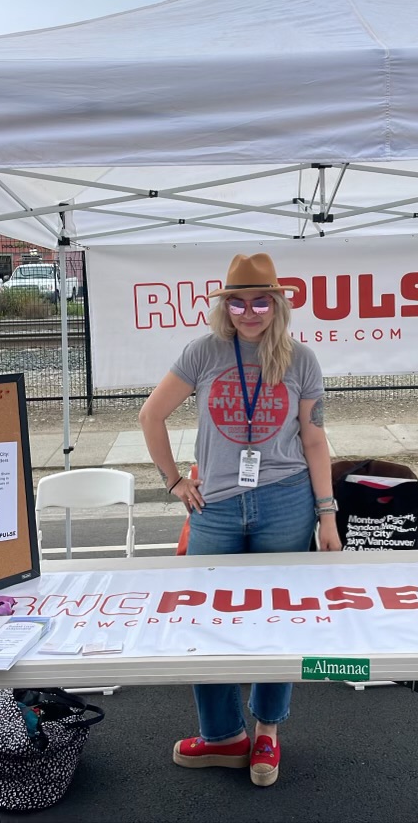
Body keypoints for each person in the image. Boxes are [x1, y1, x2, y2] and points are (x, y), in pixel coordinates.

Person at [139, 252, 341, 787]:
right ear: (224, 307)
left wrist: (327, 514)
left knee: (281, 618)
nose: (249, 312)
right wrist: (174, 482)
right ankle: (223, 735)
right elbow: (150, 415)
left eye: (260, 302)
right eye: (238, 303)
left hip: (287, 502)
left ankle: (267, 730)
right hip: (216, 507)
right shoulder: (203, 352)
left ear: (277, 305)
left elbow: (314, 440)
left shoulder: (301, 360)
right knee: (204, 619)